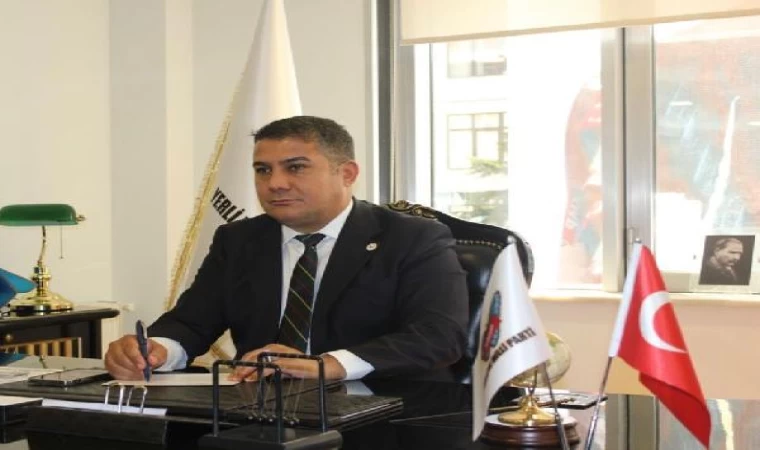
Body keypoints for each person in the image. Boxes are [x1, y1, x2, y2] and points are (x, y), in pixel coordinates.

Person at [105, 115, 468, 382]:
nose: (275, 183)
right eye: (263, 170)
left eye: (295, 168)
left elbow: (439, 336)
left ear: (347, 174)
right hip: (261, 412)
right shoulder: (239, 240)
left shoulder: (412, 238)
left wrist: (331, 364)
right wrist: (156, 349)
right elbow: (191, 321)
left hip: (384, 413)